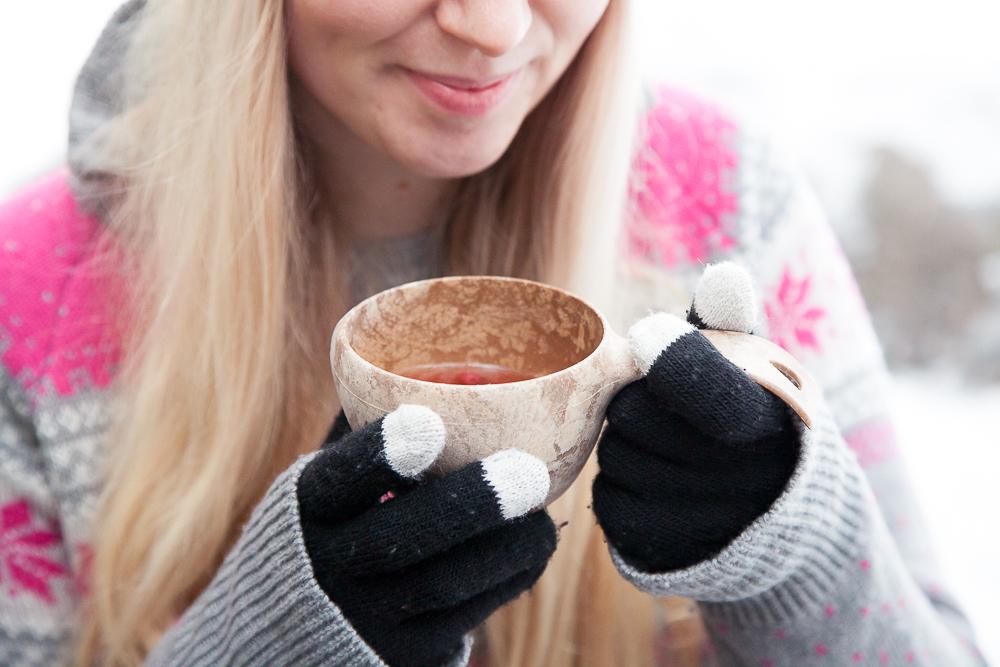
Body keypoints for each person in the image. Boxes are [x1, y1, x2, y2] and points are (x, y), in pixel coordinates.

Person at [0, 0, 986, 665]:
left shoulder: (727, 196)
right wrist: (268, 641)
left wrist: (785, 549)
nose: (494, 27)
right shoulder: (27, 295)